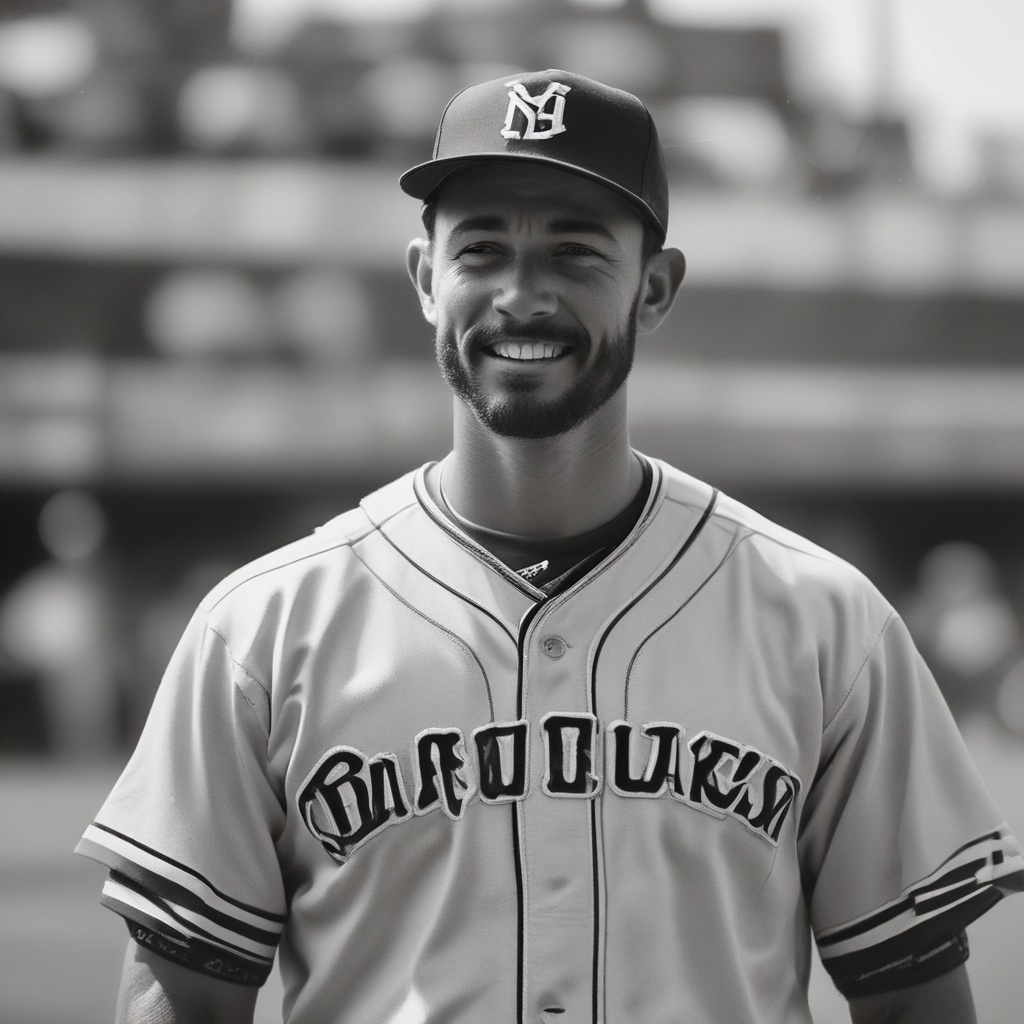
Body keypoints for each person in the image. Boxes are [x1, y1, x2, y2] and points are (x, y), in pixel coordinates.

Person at [77, 70, 1022, 1024]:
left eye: (576, 254)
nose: (522, 295)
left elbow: (913, 999)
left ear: (654, 288)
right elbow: (183, 994)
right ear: (423, 280)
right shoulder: (263, 628)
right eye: (481, 249)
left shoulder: (827, 622)